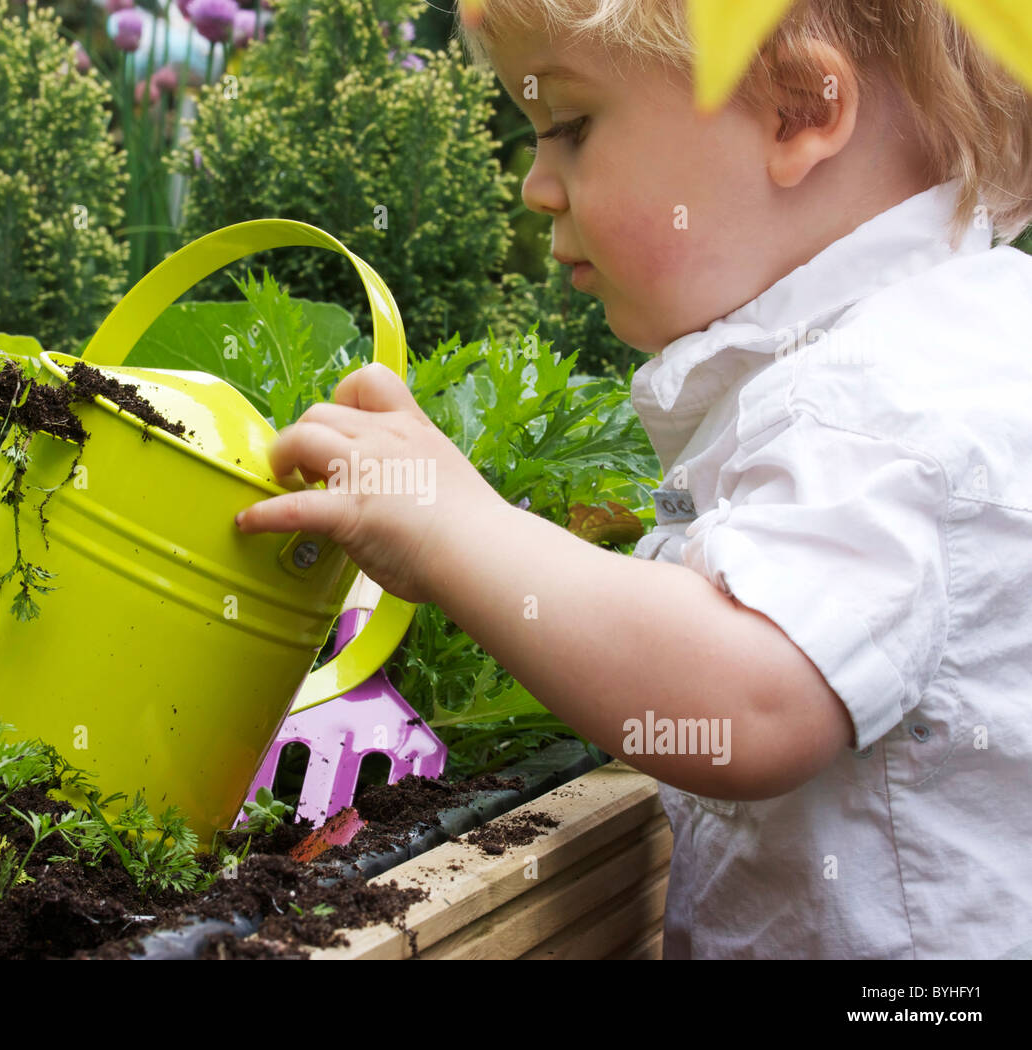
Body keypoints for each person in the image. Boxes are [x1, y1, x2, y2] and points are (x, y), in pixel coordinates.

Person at [235, 0, 1032, 959]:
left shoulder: (882, 393)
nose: (536, 186)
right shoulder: (933, 342)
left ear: (799, 108)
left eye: (570, 126)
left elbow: (750, 705)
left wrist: (456, 531)